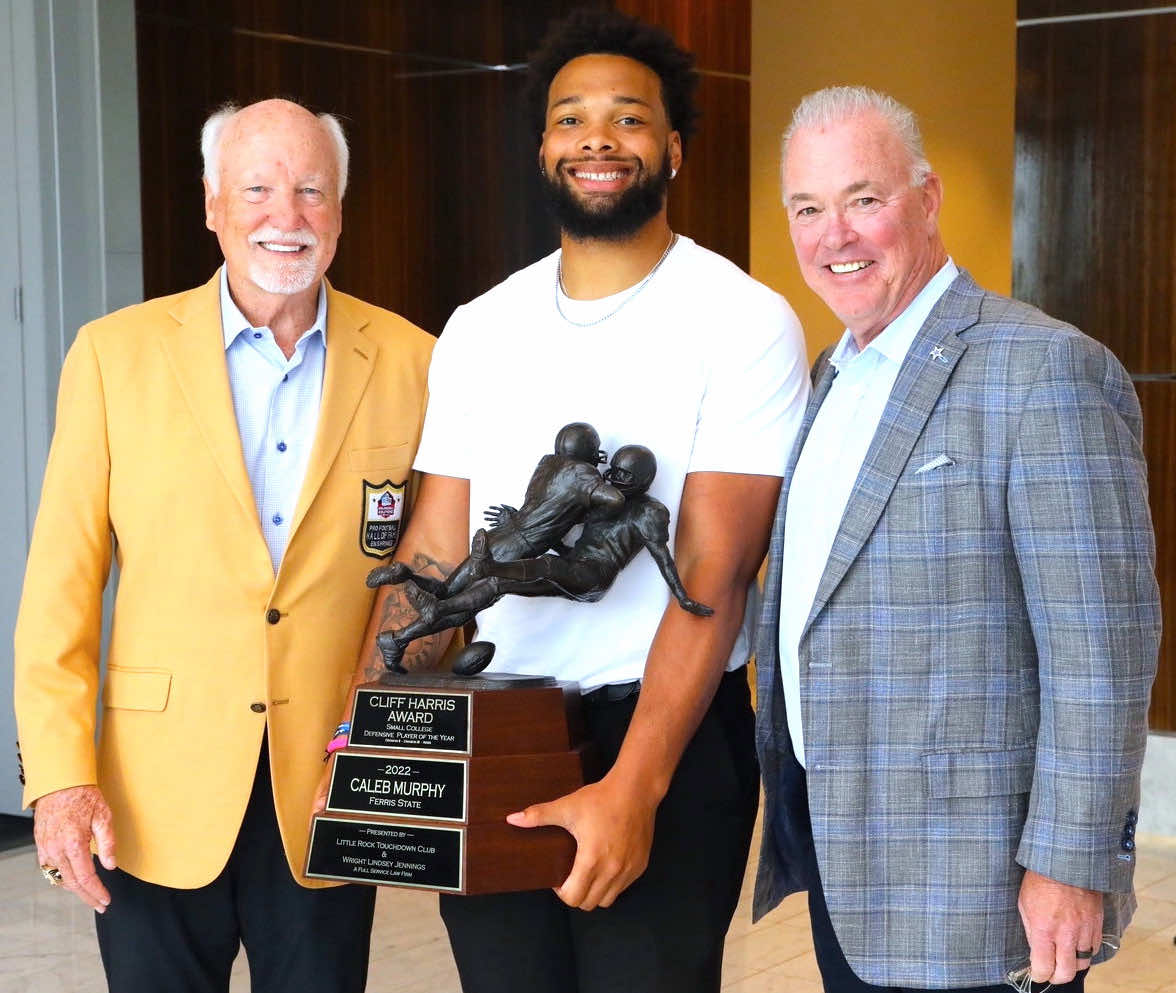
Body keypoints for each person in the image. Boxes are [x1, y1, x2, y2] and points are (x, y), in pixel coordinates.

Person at [319, 9, 809, 993]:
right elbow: (438, 544)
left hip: (664, 732)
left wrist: (634, 787)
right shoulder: (479, 327)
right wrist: (364, 730)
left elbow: (713, 570)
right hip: (499, 727)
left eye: (628, 119)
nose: (597, 137)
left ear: (672, 150)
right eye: (571, 117)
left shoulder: (744, 322)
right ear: (544, 147)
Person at [13, 98, 435, 993]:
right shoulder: (110, 356)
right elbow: (60, 591)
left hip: (327, 790)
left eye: (312, 190)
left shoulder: (415, 362)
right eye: (257, 189)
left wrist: (385, 757)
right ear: (211, 205)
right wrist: (57, 777)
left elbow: (430, 583)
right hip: (150, 799)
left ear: (342, 211)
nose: (287, 217)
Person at [753, 85, 1160, 993]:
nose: (835, 235)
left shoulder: (1045, 370)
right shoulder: (834, 373)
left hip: (982, 886)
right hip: (845, 854)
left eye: (864, 199)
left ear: (927, 199)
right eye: (808, 209)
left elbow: (1101, 651)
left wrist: (1071, 859)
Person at [377, 444, 714, 660]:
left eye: (623, 475)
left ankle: (484, 570)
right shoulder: (599, 505)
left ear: (643, 479)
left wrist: (682, 597)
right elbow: (560, 536)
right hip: (571, 564)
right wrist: (518, 521)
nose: (613, 477)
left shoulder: (649, 512)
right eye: (611, 470)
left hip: (593, 577)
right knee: (495, 589)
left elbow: (662, 557)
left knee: (543, 566)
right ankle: (399, 638)